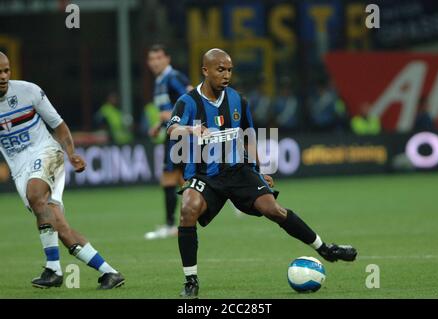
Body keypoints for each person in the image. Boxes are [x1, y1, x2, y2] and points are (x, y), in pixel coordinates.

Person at [167, 48, 358, 299]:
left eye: (229, 70)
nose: (226, 75)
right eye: (220, 69)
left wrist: (260, 169)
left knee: (273, 209)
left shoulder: (237, 100)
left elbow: (249, 138)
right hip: (205, 176)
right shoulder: (188, 102)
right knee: (188, 209)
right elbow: (172, 131)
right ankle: (191, 280)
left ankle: (325, 249)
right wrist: (192, 130)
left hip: (239, 171)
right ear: (205, 70)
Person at [0, 52, 125, 289]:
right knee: (59, 226)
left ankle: (54, 270)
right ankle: (109, 272)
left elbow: (59, 125)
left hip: (46, 153)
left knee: (35, 195)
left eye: (6, 70)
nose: (4, 76)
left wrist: (71, 153)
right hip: (19, 168)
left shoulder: (29, 91)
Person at [144, 44, 193, 240]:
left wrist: (171, 115)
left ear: (167, 59)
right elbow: (169, 110)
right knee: (184, 180)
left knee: (169, 178)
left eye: (158, 58)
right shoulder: (160, 81)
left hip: (179, 136)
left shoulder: (173, 78)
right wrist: (158, 123)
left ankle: (171, 225)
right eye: (151, 59)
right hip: (172, 134)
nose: (155, 62)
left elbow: (190, 99)